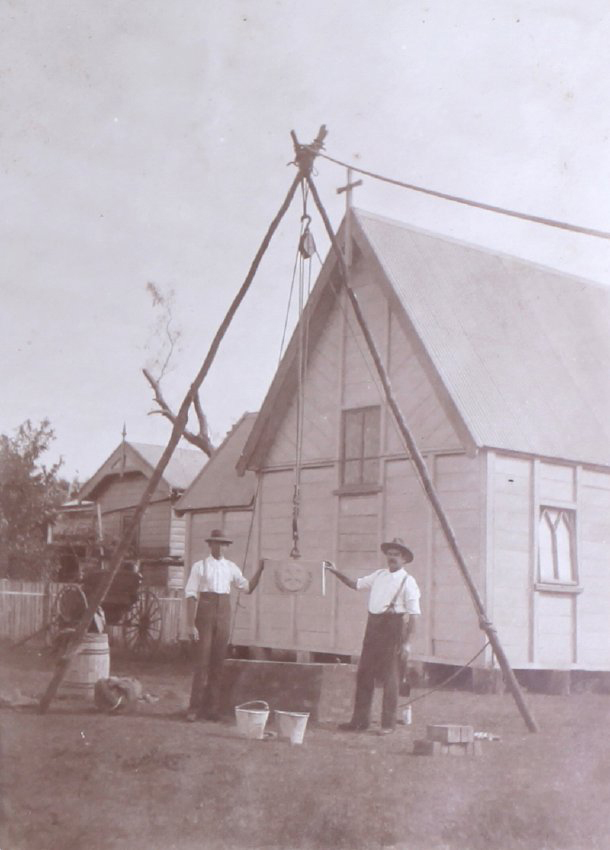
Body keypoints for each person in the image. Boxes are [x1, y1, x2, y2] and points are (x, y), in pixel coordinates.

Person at [324, 537, 420, 735]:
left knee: (391, 677)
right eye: (390, 554)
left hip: (393, 629)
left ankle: (388, 724)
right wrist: (335, 571)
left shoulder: (408, 581)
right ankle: (359, 721)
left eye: (396, 555)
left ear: (404, 559)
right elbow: (355, 584)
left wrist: (408, 643)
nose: (392, 558)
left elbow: (414, 615)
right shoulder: (379, 575)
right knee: (364, 674)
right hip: (373, 627)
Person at [184, 529, 264, 722]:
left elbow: (248, 588)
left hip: (224, 614)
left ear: (226, 546)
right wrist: (190, 624)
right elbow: (190, 595)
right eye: (216, 543)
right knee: (202, 662)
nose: (219, 547)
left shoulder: (231, 567)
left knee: (218, 662)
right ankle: (194, 709)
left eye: (223, 544)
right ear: (210, 544)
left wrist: (261, 570)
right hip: (204, 613)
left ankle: (212, 709)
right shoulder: (199, 566)